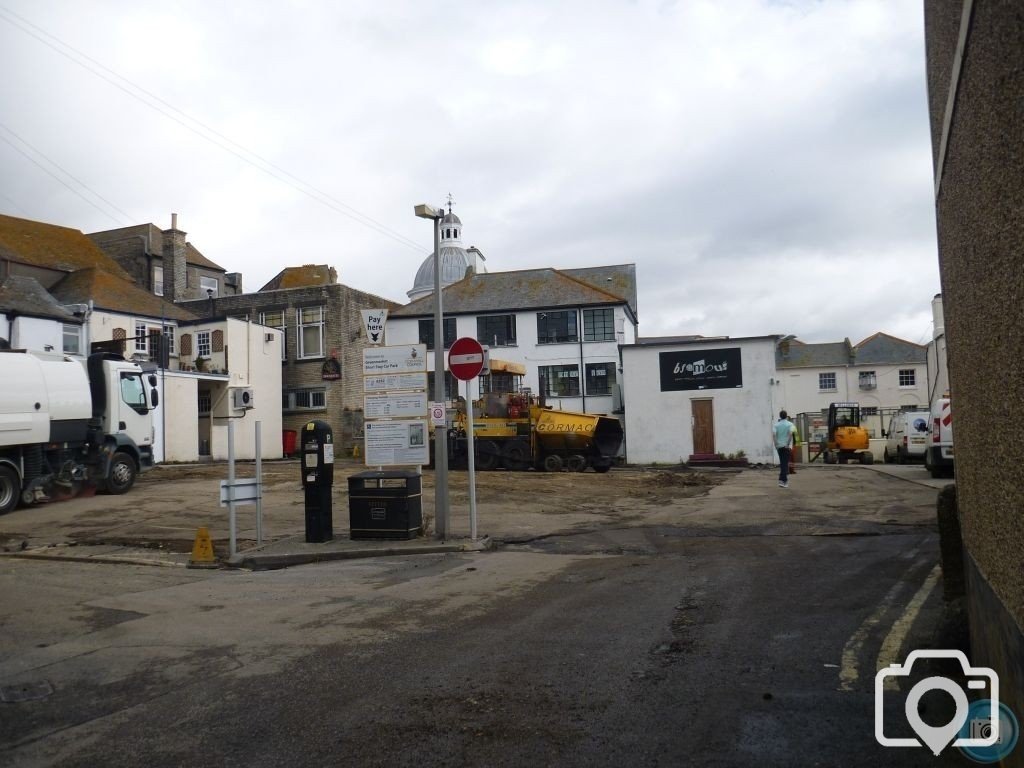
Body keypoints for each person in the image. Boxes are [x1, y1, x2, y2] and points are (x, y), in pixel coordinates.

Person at [773, 410, 797, 488]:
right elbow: (790, 434)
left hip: (779, 446)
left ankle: (782, 480)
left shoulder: (776, 425)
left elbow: (774, 435)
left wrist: (776, 444)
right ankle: (783, 481)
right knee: (784, 464)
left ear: (780, 416)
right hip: (786, 447)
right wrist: (787, 444)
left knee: (783, 463)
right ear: (786, 416)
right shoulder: (791, 424)